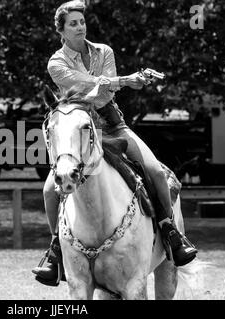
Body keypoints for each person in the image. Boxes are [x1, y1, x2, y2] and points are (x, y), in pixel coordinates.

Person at [32, 0, 197, 286]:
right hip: (79, 130)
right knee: (49, 189)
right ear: (61, 30)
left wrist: (117, 82)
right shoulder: (56, 63)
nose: (80, 27)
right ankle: (55, 250)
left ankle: (171, 232)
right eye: (73, 23)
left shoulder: (104, 51)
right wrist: (126, 80)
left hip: (112, 124)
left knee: (156, 171)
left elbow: (102, 94)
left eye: (82, 22)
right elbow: (86, 86)